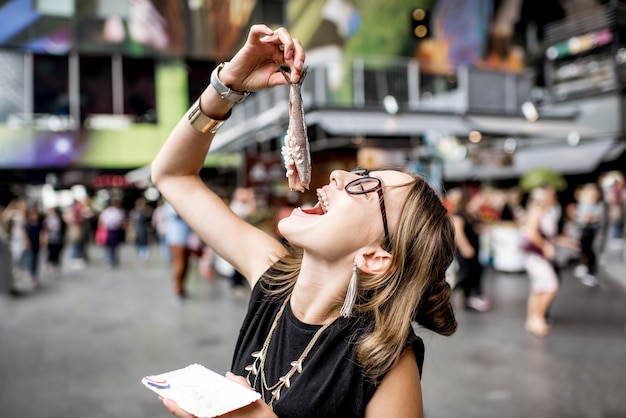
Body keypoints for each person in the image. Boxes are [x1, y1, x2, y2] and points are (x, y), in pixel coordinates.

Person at [151, 24, 457, 418]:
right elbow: (173, 176)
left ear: (375, 257)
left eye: (366, 187)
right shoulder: (273, 279)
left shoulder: (386, 362)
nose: (339, 176)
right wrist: (227, 86)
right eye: (359, 173)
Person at [520, 184, 561, 337]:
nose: (553, 197)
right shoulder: (536, 212)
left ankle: (533, 319)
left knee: (538, 288)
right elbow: (531, 233)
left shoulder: (547, 212)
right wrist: (545, 247)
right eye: (550, 195)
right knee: (551, 286)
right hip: (536, 256)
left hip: (539, 256)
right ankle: (538, 317)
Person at [446, 187, 491, 312]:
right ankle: (450, 294)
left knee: (475, 271)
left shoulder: (469, 213)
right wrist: (466, 247)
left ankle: (470, 298)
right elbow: (458, 233)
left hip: (474, 248)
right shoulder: (459, 214)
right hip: (466, 249)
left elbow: (473, 226)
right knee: (466, 274)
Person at [572, 183, 604, 287]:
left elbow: (595, 218)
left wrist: (591, 218)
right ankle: (585, 267)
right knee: (584, 249)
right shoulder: (584, 204)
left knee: (591, 251)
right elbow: (583, 217)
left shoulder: (599, 205)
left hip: (594, 231)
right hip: (585, 230)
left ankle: (591, 273)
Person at [163, 201, 193, 304]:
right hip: (177, 239)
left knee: (185, 265)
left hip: (184, 239)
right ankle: (177, 292)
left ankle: (182, 289)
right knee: (179, 265)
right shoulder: (172, 203)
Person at [98, 199, 126, 268]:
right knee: (114, 247)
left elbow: (101, 221)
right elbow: (121, 222)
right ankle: (113, 260)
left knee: (109, 247)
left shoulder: (106, 212)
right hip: (114, 230)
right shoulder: (118, 212)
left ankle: (109, 260)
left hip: (109, 230)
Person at [129, 197, 153, 261]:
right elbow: (132, 222)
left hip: (144, 230)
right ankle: (139, 255)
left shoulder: (145, 212)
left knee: (144, 242)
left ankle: (143, 255)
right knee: (138, 243)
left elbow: (149, 219)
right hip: (137, 229)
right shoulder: (134, 212)